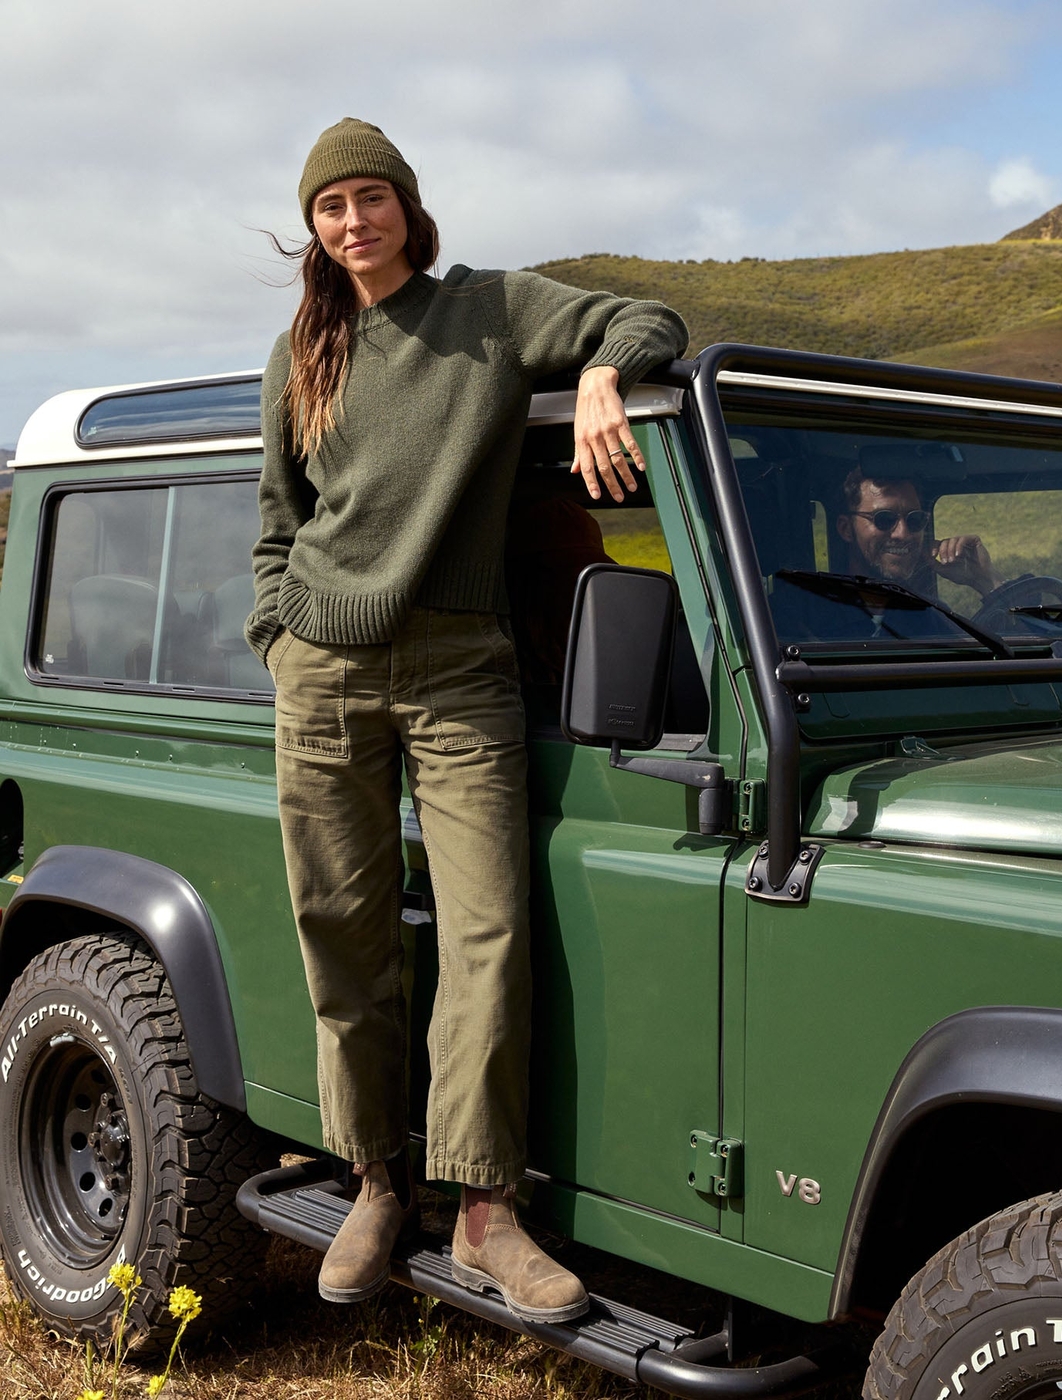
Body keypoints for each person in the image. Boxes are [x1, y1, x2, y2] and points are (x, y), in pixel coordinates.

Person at [245, 119, 688, 1321]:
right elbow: (278, 523)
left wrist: (598, 376)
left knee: (487, 933)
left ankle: (485, 1208)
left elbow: (647, 319)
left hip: (458, 669)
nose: (354, 220)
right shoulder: (300, 353)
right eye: (331, 204)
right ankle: (373, 1182)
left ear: (407, 206)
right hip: (324, 668)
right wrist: (280, 640)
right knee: (343, 932)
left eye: (371, 197)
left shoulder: (489, 309)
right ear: (314, 227)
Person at [836, 466, 1003, 598]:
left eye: (915, 520)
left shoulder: (929, 615)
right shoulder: (822, 616)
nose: (903, 534)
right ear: (846, 529)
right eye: (884, 519)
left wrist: (985, 579)